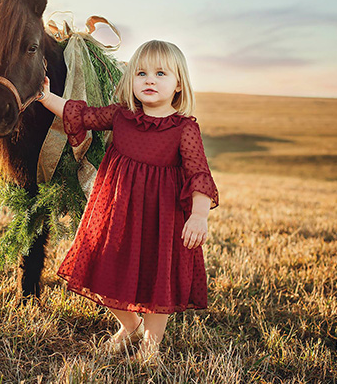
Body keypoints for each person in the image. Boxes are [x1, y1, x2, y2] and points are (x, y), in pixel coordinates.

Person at [38, 40, 219, 363]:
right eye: (141, 73)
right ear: (130, 81)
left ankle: (152, 344)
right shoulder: (121, 116)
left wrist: (200, 216)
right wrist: (45, 96)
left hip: (162, 221)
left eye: (160, 73)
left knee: (155, 279)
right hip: (117, 214)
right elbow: (81, 114)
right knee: (100, 266)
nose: (150, 80)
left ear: (178, 84)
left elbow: (199, 175)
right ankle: (130, 325)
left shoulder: (184, 129)